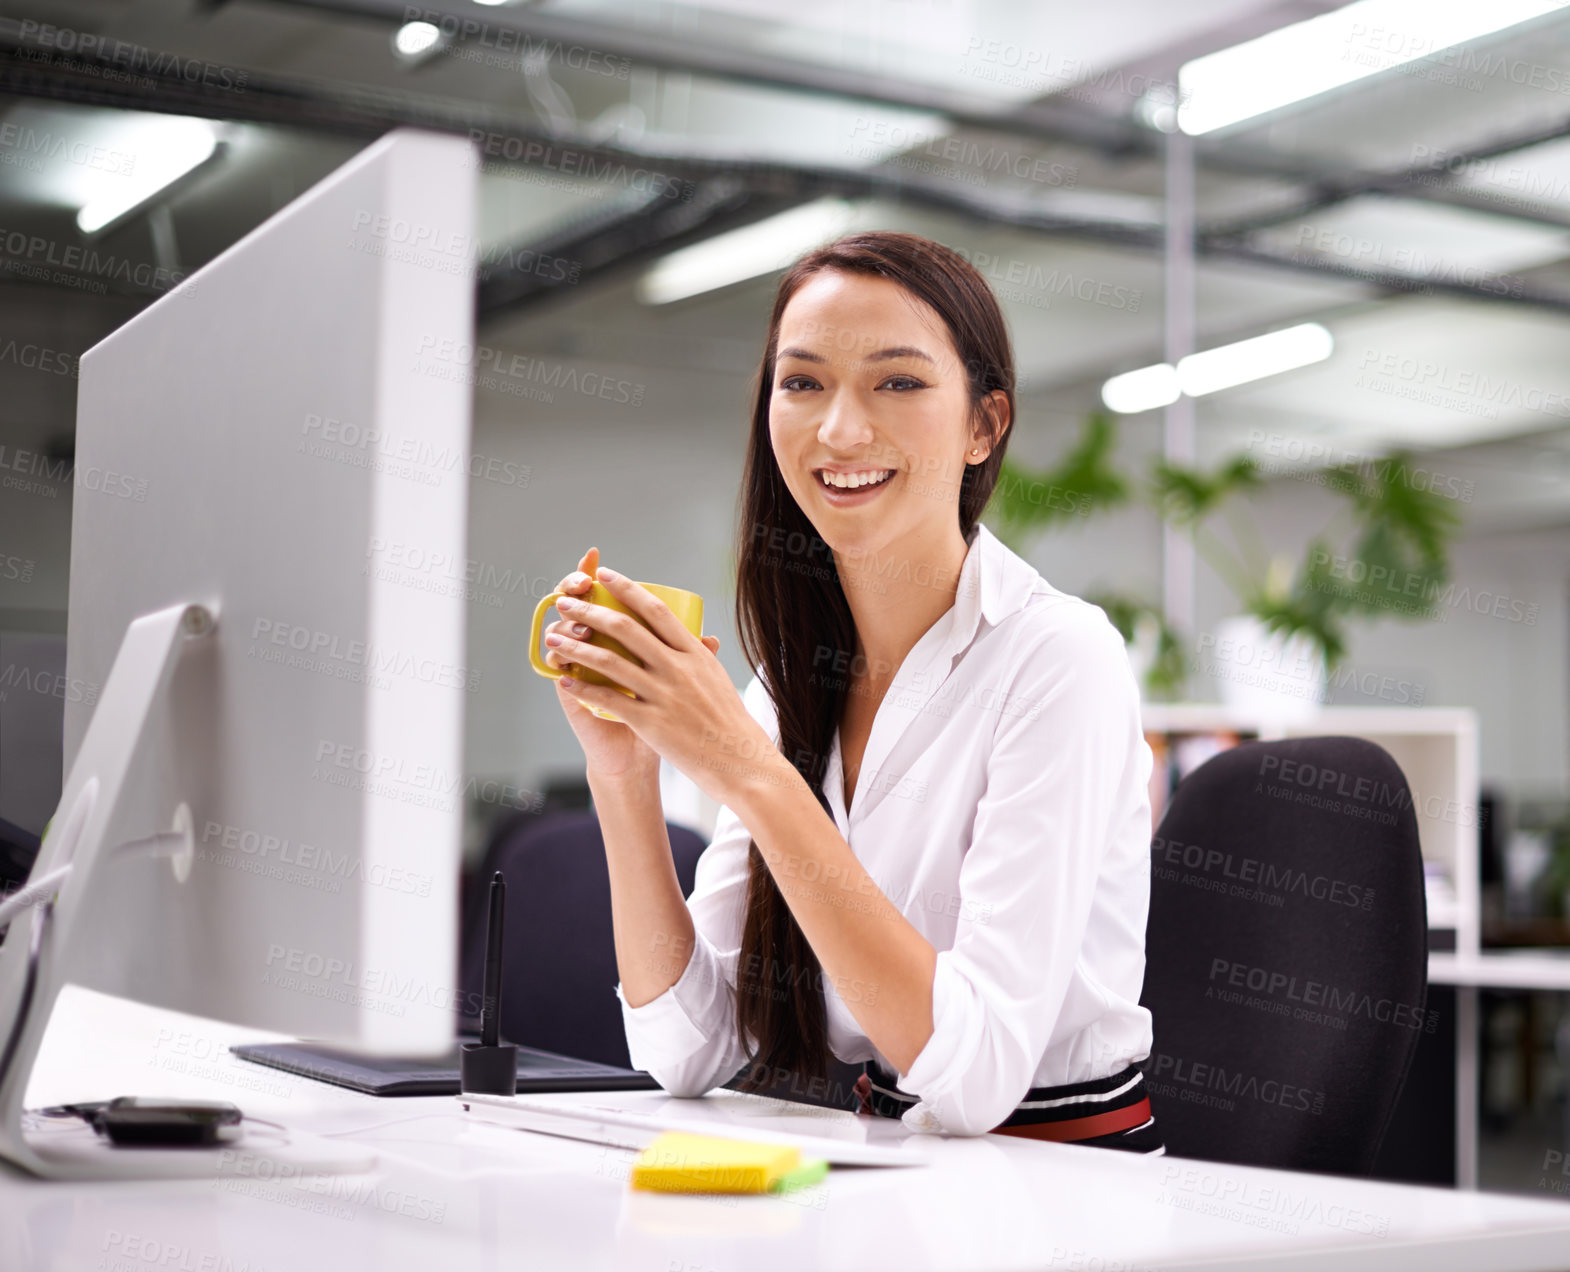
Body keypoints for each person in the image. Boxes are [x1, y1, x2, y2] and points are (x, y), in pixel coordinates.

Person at [539, 231, 1160, 1150]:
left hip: (1062, 1183)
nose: (839, 430)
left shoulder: (1059, 658)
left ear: (985, 425)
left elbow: (976, 1076)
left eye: (898, 383)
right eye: (803, 383)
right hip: (894, 1169)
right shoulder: (789, 692)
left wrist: (755, 777)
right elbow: (689, 1050)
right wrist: (623, 774)